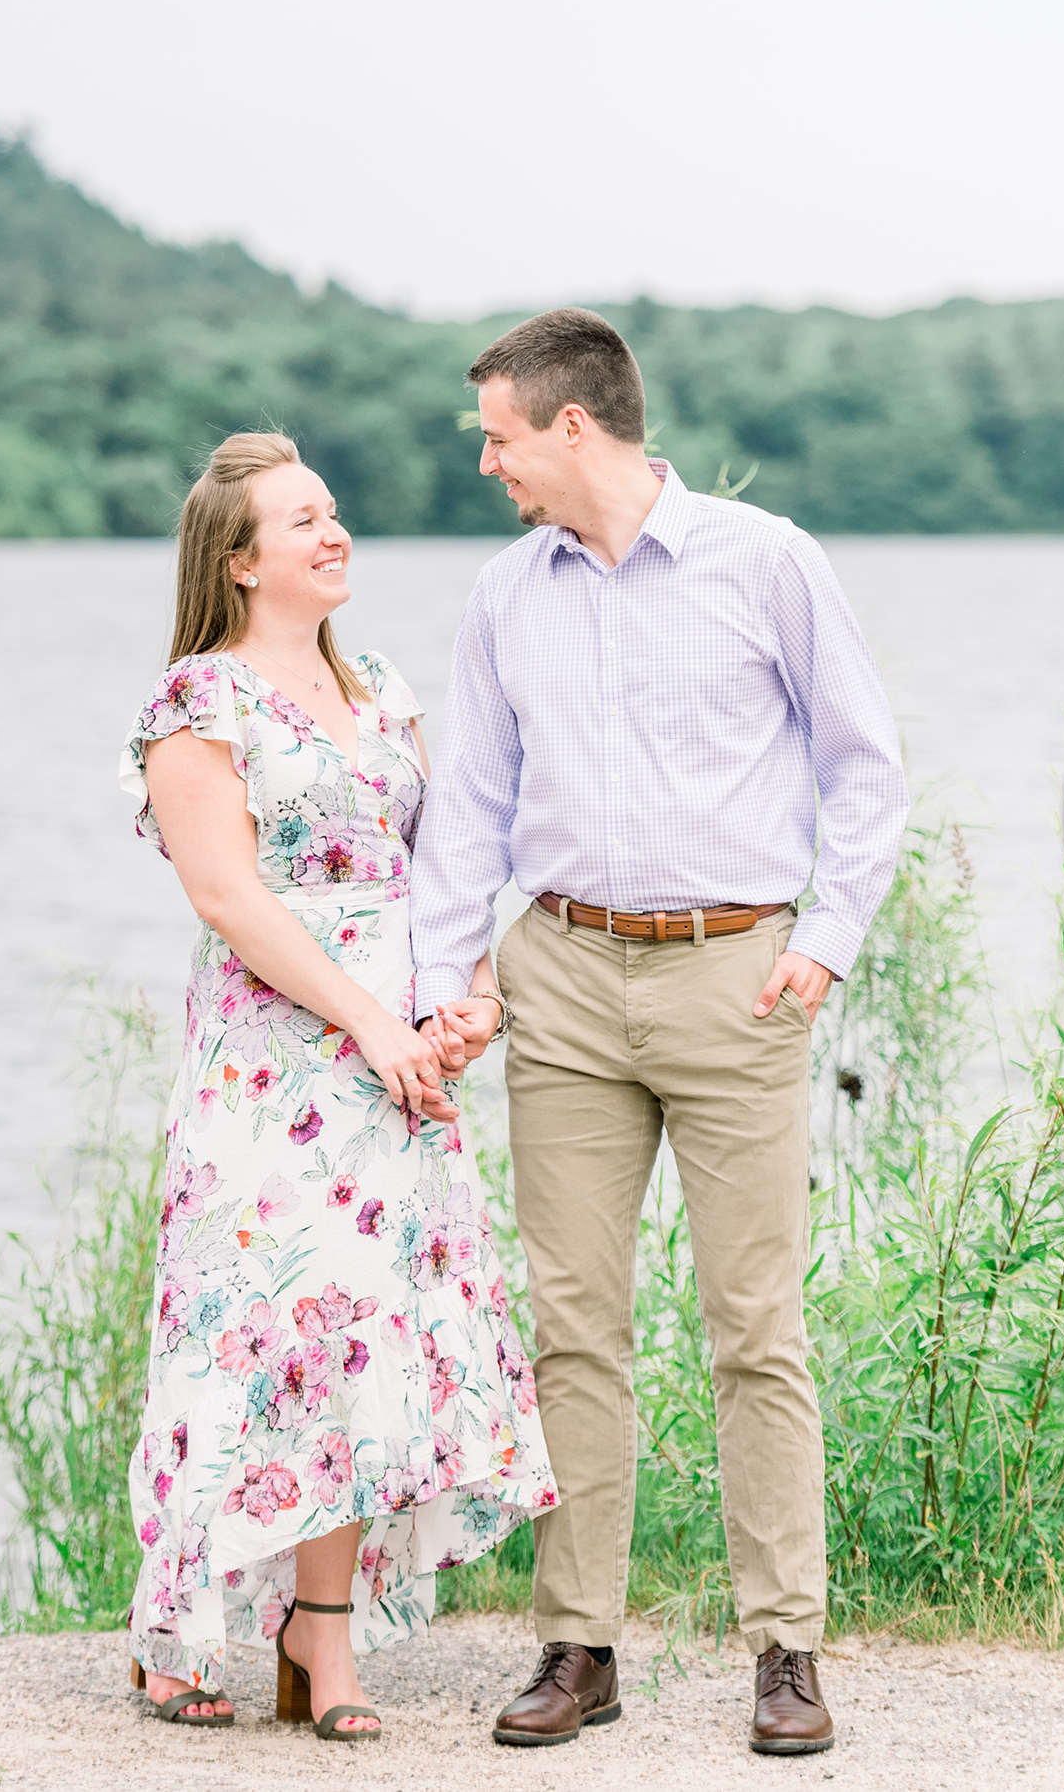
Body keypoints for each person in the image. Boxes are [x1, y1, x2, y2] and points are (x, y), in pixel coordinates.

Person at [411, 310, 909, 1757]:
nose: (487, 464)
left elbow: (863, 770)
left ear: (575, 427)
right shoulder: (507, 593)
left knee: (756, 1329)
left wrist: (820, 944)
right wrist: (455, 982)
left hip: (734, 977)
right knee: (572, 1325)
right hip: (558, 976)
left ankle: (785, 1650)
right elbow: (471, 815)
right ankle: (579, 1645)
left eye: (497, 436)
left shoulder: (768, 563)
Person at [118, 431, 555, 1741]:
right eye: (302, 523)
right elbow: (226, 897)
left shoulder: (377, 683)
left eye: (332, 513)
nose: (333, 534)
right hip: (276, 1062)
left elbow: (446, 859)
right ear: (243, 563)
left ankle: (323, 1637)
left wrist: (462, 998)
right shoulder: (196, 702)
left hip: (399, 1053)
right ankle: (178, 1621)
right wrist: (373, 1023)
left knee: (365, 1338)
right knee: (248, 1333)